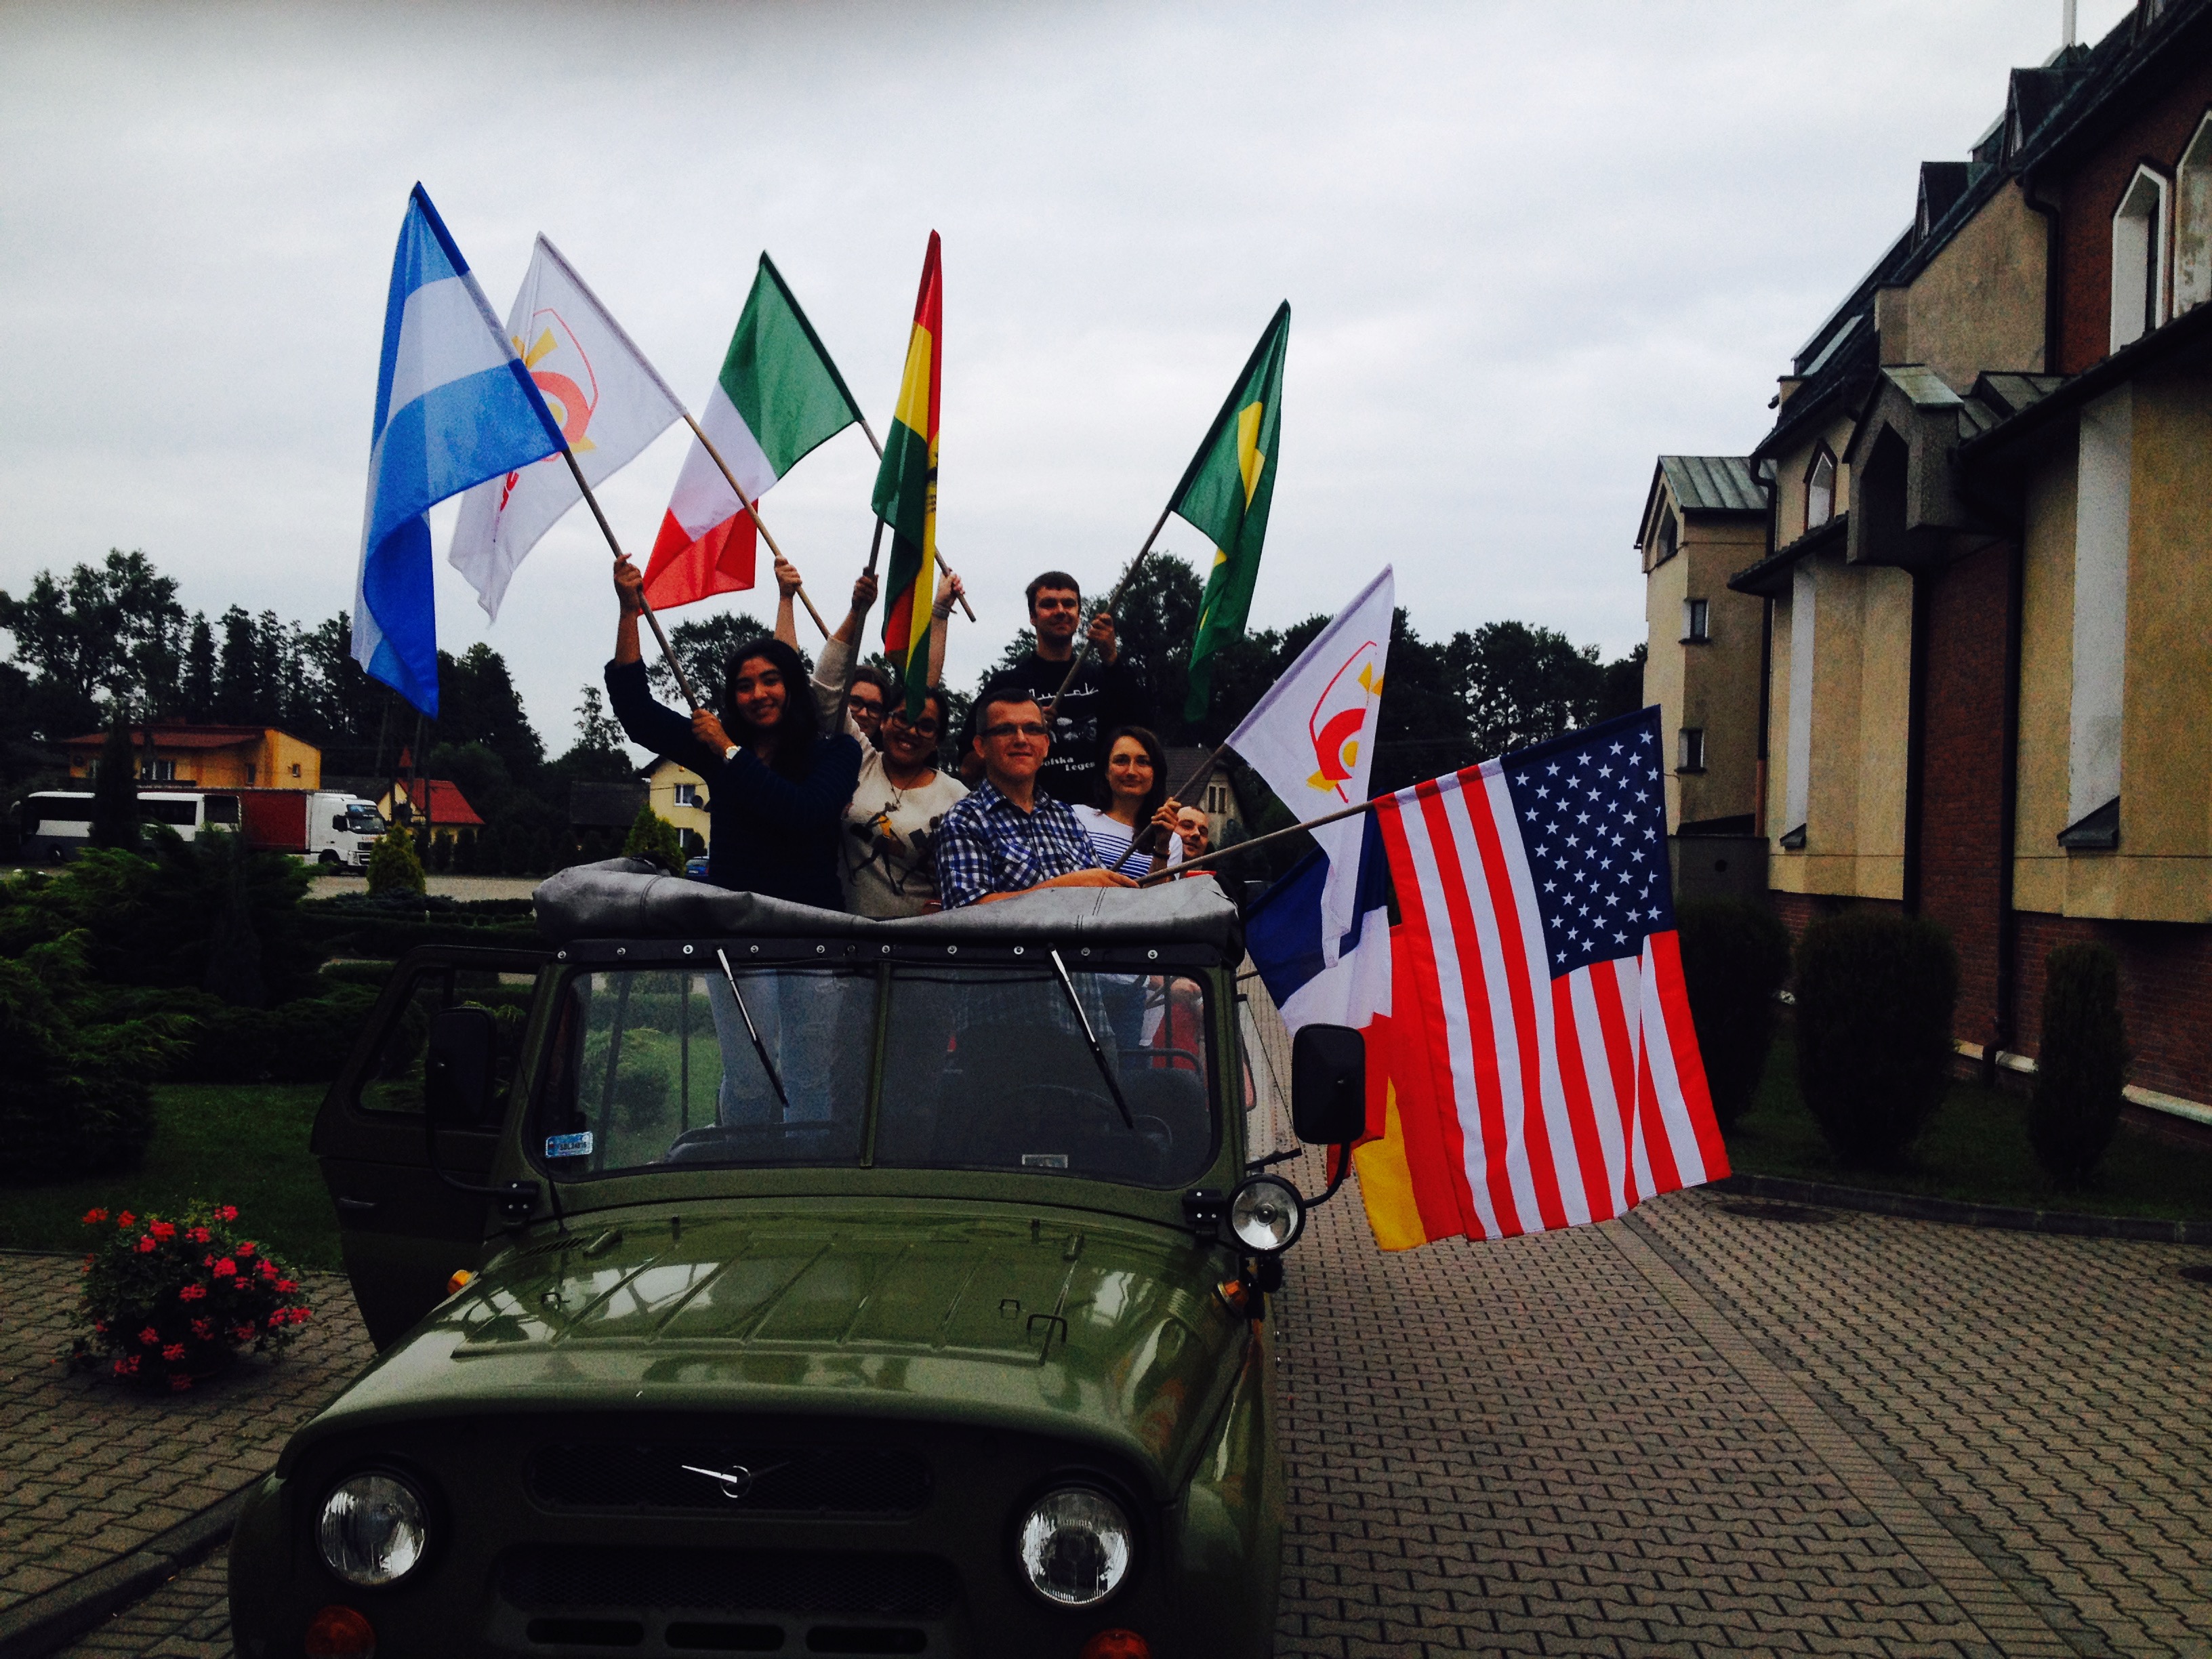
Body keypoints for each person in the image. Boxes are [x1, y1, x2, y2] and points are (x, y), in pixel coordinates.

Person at [604, 555, 859, 909]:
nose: (758, 695)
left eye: (771, 680)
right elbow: (637, 714)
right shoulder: (714, 749)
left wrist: (728, 750)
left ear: (793, 687)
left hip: (808, 932)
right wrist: (628, 612)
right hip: (732, 929)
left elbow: (802, 813)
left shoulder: (837, 752)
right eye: (744, 686)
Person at [803, 560, 970, 918]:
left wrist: (950, 909)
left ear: (938, 739)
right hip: (846, 935)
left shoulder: (957, 797)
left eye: (926, 727)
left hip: (921, 942)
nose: (911, 731)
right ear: (883, 722)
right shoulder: (859, 761)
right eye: (902, 718)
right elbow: (825, 688)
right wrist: (856, 613)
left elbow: (970, 878)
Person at [935, 681, 1139, 908]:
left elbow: (1102, 897)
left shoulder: (1065, 816)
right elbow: (964, 913)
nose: (1021, 739)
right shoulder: (964, 821)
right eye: (1005, 730)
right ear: (981, 746)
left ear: (1045, 744)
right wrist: (1065, 887)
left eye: (1032, 729)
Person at [992, 571, 1149, 806]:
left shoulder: (1106, 677)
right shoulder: (1006, 684)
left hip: (1100, 813)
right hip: (1033, 813)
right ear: (1033, 616)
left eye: (1068, 604)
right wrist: (1028, 730)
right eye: (1048, 604)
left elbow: (1143, 734)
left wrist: (1111, 658)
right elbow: (971, 763)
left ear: (1078, 614)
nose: (1060, 611)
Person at [774, 557, 891, 746]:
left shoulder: (878, 760)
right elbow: (789, 677)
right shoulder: (807, 748)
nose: (864, 714)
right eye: (855, 702)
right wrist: (786, 598)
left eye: (875, 708)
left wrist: (939, 610)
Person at [1071, 726, 1185, 880]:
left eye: (1143, 762)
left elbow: (1160, 895)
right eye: (1121, 761)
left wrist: (1161, 847)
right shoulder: (1076, 817)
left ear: (1155, 773)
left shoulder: (1172, 841)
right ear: (1106, 771)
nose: (1131, 771)